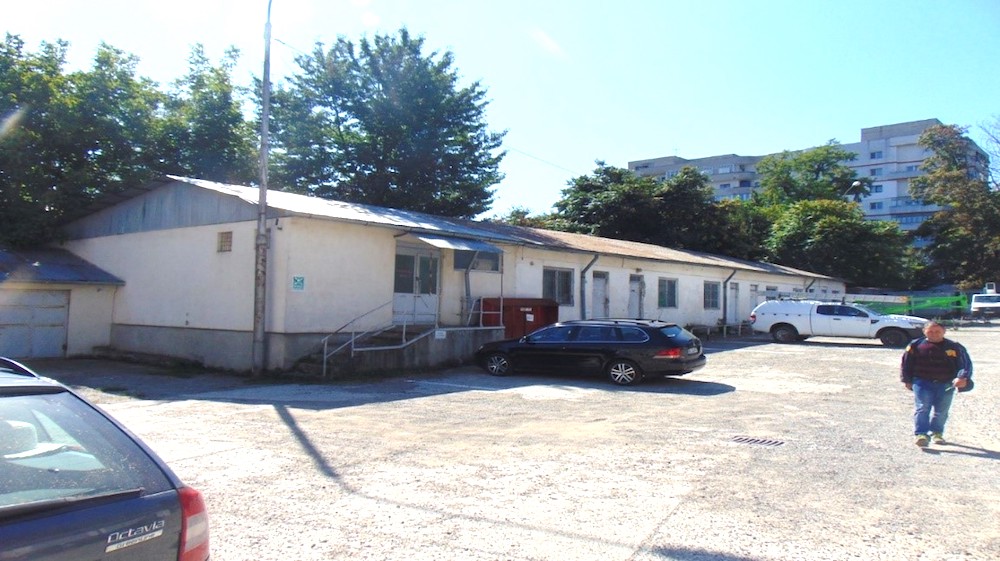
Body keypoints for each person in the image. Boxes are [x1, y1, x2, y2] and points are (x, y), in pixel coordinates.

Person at [900, 321, 973, 447]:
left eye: (937, 331)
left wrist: (962, 377)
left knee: (941, 411)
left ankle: (937, 433)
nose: (934, 334)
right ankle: (921, 434)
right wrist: (906, 380)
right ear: (924, 332)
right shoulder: (915, 345)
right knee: (922, 407)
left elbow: (965, 364)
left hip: (946, 384)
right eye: (930, 331)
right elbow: (906, 363)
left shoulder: (954, 347)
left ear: (944, 331)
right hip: (922, 382)